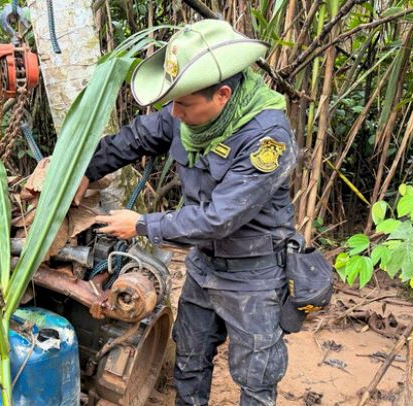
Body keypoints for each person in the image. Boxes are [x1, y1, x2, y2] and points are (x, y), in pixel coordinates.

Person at [74, 19, 298, 406]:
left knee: (256, 375)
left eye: (185, 104)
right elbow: (137, 136)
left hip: (253, 273)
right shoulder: (187, 114)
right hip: (204, 265)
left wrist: (142, 224)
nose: (174, 113)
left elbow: (219, 219)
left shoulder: (266, 139)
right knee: (190, 358)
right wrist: (86, 170)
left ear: (222, 95)